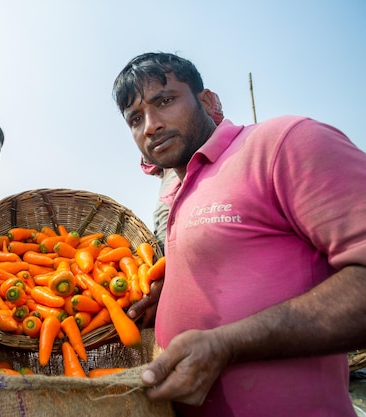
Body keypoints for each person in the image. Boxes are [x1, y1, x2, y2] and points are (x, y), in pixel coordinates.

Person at [113, 52, 366, 416]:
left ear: (206, 100)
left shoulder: (282, 143)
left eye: (164, 101)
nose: (150, 126)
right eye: (135, 119)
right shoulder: (178, 190)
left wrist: (227, 344)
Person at [140, 92, 224, 252]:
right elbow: (150, 165)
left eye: (166, 102)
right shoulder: (158, 139)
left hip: (194, 170)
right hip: (171, 185)